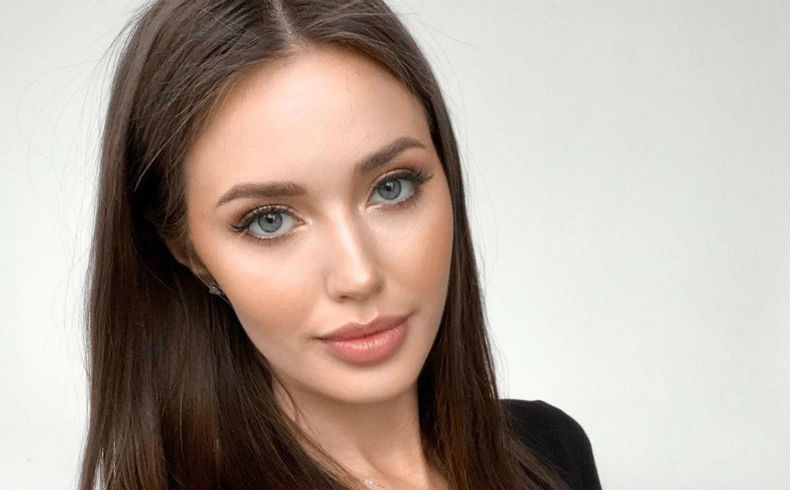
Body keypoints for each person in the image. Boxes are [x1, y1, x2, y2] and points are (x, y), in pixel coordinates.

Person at [79, 0, 602, 489]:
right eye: (269, 221)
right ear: (188, 250)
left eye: (392, 187)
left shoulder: (549, 451)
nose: (359, 275)